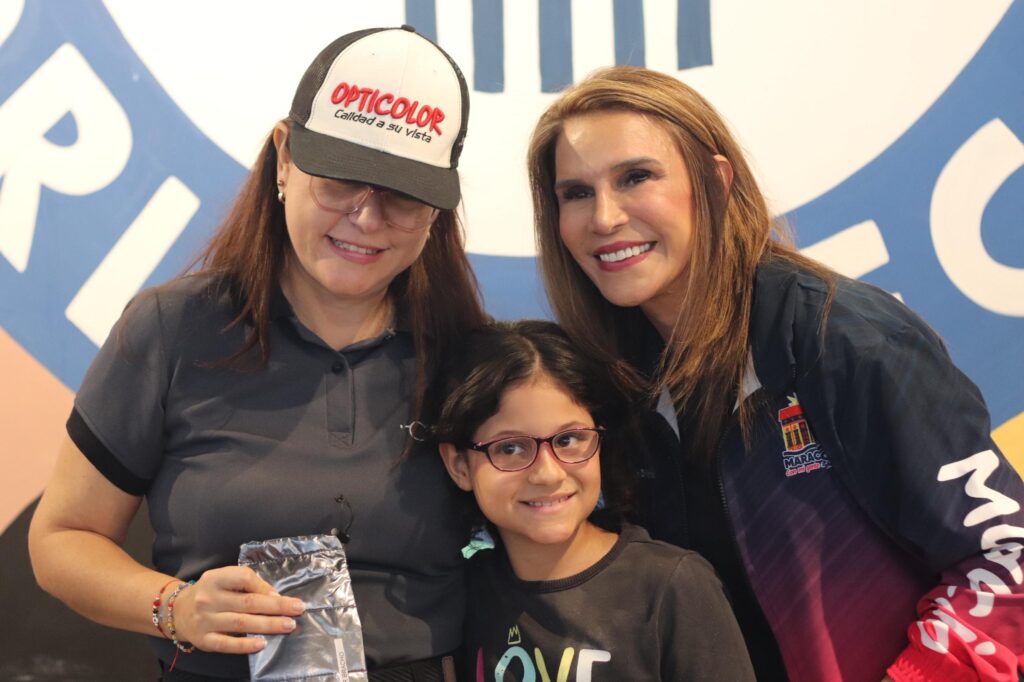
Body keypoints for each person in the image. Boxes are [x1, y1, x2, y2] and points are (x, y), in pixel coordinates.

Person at [526, 65, 1024, 682]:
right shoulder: (609, 379)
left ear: (715, 182)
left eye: (636, 177)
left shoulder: (843, 339)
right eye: (575, 193)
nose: (603, 217)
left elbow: (1007, 562)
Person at [28, 26, 487, 681]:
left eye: (403, 195)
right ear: (284, 158)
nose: (366, 218)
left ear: (438, 208)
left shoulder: (473, 358)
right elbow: (62, 539)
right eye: (340, 181)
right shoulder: (171, 330)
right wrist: (176, 608)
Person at [429, 320, 755, 681]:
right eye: (510, 448)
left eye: (568, 440)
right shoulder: (460, 596)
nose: (547, 474)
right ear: (459, 465)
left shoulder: (672, 587)